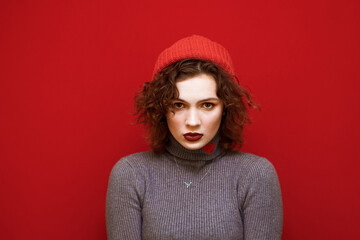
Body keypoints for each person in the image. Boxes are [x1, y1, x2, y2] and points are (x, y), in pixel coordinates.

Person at [106, 35, 283, 240]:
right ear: (161, 108)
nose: (192, 121)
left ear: (225, 108)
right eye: (178, 105)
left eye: (207, 105)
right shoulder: (131, 174)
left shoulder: (255, 175)